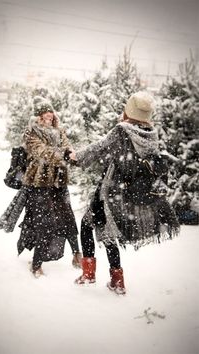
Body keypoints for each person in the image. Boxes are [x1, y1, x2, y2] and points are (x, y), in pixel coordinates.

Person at [69, 91, 180, 295]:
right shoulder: (150, 133)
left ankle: (90, 274)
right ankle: (117, 281)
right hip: (127, 194)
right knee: (108, 232)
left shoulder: (123, 130)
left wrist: (77, 156)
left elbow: (100, 147)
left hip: (111, 191)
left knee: (87, 225)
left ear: (129, 110)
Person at [16, 97, 81, 277]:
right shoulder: (31, 133)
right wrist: (64, 156)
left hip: (58, 182)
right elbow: (42, 152)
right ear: (38, 117)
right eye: (45, 115)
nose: (49, 118)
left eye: (51, 116)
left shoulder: (59, 131)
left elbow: (67, 146)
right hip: (39, 184)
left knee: (67, 218)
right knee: (44, 222)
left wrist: (70, 153)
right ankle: (37, 264)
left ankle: (77, 255)